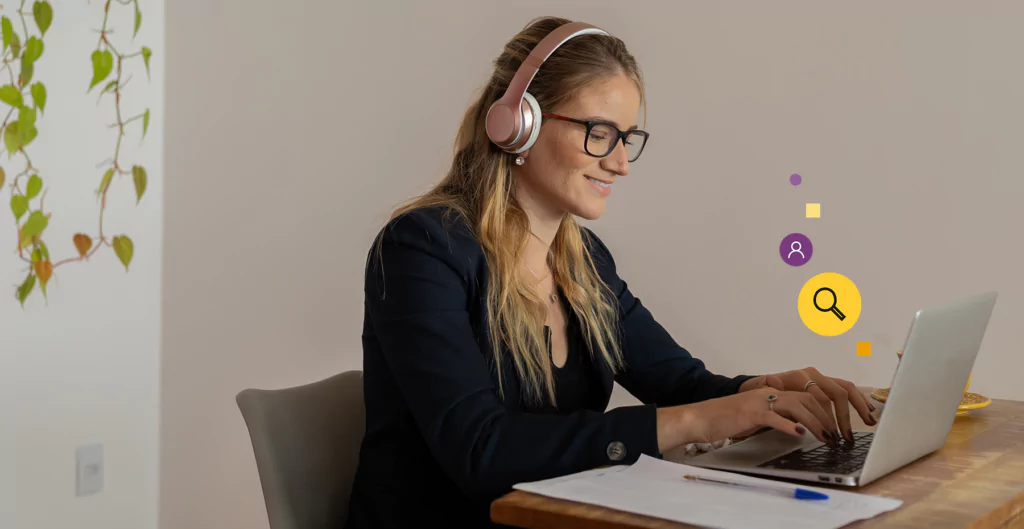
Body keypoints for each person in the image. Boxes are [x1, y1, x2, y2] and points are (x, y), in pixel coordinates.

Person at [343, 16, 877, 529]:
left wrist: (759, 391)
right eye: (600, 132)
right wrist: (700, 421)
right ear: (517, 123)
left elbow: (680, 383)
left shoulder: (585, 263)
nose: (620, 162)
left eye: (627, 138)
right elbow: (480, 449)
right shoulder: (421, 250)